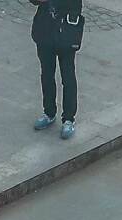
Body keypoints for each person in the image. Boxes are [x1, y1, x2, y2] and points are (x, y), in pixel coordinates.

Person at [30, 0, 83, 141]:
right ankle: (49, 112)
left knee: (68, 76)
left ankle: (68, 118)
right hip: (45, 32)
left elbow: (75, 6)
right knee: (47, 74)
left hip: (66, 31)